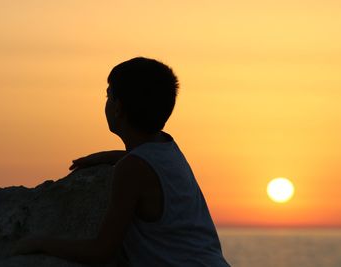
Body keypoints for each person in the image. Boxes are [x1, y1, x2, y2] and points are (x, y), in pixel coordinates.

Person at [14, 57, 231, 267]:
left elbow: (100, 251)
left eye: (108, 96)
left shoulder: (132, 169)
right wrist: (112, 156)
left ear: (117, 108)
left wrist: (40, 242)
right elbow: (151, 168)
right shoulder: (169, 148)